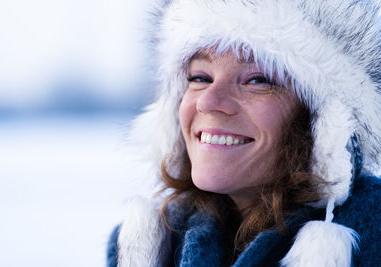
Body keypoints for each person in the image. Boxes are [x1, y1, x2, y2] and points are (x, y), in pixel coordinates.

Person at [107, 0, 381, 266]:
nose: (207, 102)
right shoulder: (147, 247)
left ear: (325, 122)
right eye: (200, 78)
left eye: (257, 80)